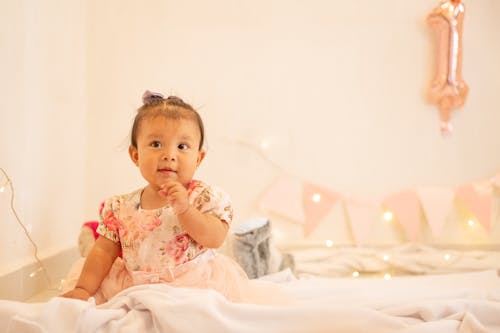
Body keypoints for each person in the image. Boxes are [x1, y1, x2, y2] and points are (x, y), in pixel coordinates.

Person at [61, 91, 288, 305]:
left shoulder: (204, 197)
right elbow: (102, 252)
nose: (169, 155)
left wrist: (185, 210)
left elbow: (215, 238)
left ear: (198, 158)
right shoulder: (120, 206)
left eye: (182, 146)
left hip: (194, 286)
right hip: (136, 286)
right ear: (135, 155)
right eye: (156, 144)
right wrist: (83, 288)